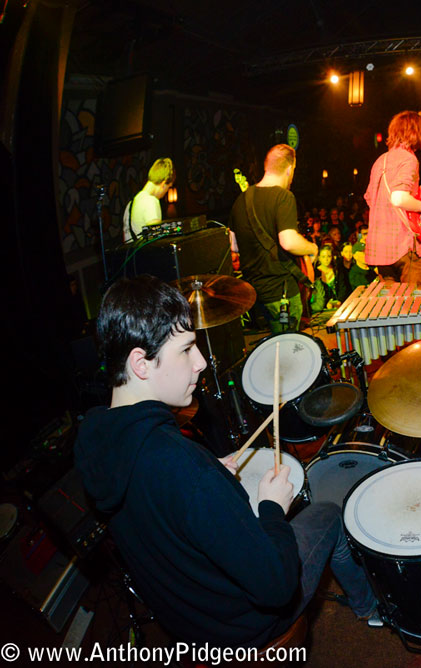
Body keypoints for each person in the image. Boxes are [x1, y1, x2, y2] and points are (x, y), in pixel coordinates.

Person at [74, 276, 378, 648]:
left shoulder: (95, 437)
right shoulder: (186, 469)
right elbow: (275, 587)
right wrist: (271, 508)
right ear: (141, 363)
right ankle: (368, 606)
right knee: (330, 512)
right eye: (186, 349)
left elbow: (161, 498)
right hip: (242, 628)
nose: (201, 362)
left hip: (186, 621)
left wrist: (209, 473)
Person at [230, 144, 317, 334]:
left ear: (266, 167)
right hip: (281, 292)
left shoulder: (241, 200)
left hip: (254, 294)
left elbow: (234, 245)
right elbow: (288, 241)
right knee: (289, 347)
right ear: (289, 169)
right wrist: (312, 248)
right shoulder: (283, 197)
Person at [363, 111, 421, 285]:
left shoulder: (381, 160)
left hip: (379, 249)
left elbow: (370, 199)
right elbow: (398, 198)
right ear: (414, 132)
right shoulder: (409, 159)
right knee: (413, 307)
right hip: (403, 245)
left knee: (390, 309)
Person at [123, 158, 175, 241]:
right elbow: (156, 239)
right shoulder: (151, 202)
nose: (166, 192)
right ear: (163, 183)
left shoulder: (130, 204)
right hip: (145, 253)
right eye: (168, 187)